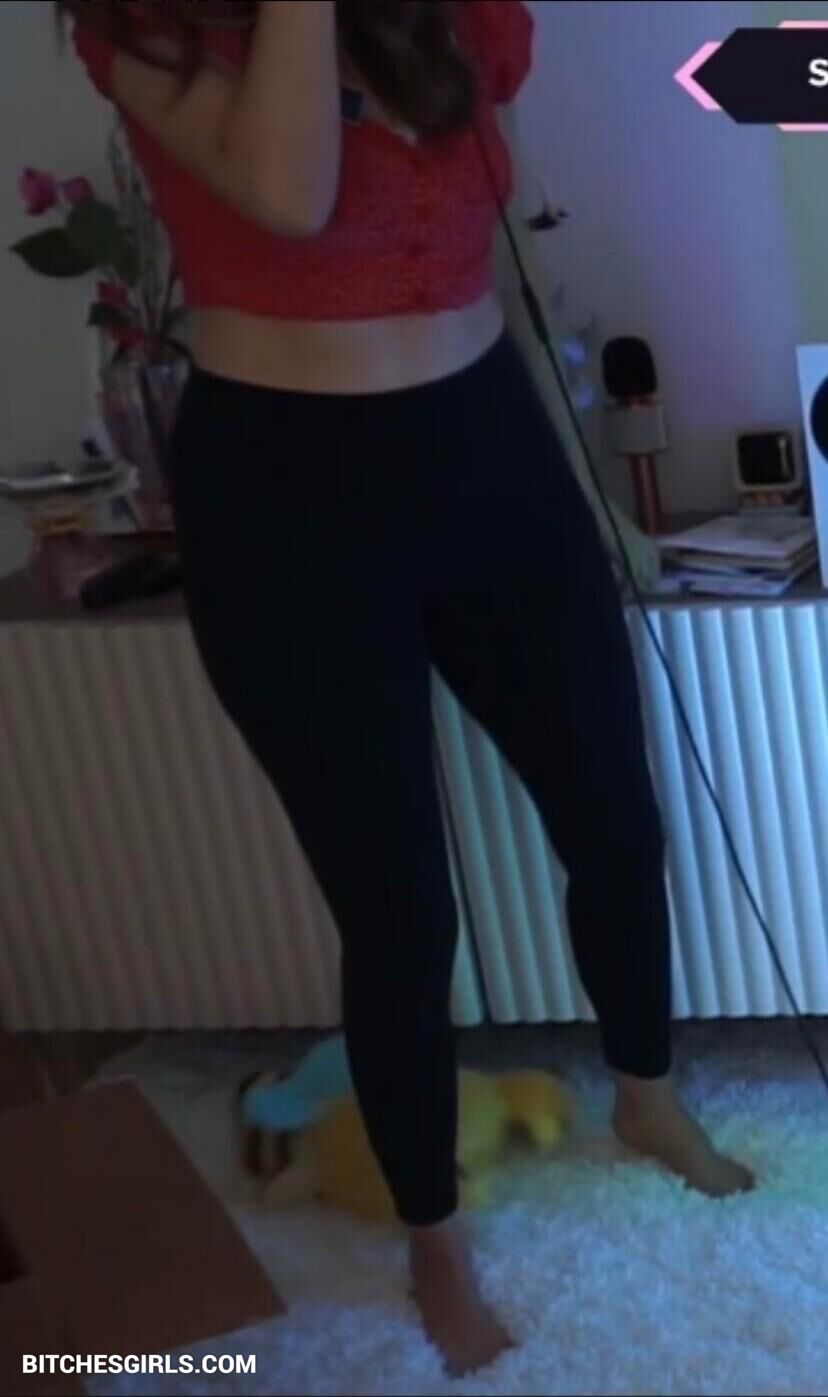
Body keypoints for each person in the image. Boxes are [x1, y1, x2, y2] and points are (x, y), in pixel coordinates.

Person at [62, 0, 752, 1376]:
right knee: (398, 909)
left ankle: (645, 1092)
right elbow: (289, 192)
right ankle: (434, 1237)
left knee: (616, 815)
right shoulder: (141, 25)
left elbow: (474, 176)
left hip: (483, 444)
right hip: (288, 497)